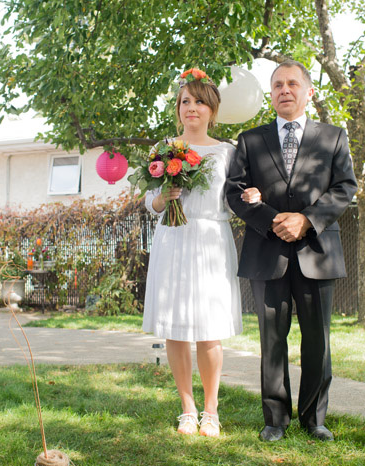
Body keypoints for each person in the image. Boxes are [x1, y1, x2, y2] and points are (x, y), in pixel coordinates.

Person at [225, 60, 357, 442]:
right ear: (271, 93)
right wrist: (272, 219)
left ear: (308, 91)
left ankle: (314, 419)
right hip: (267, 252)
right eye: (278, 84)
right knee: (272, 339)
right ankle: (275, 419)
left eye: (293, 83)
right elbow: (235, 191)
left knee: (318, 339)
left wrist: (306, 220)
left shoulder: (333, 137)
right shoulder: (250, 140)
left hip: (317, 251)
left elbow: (344, 187)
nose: (285, 90)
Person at [142, 69, 242, 437]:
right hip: (172, 238)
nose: (192, 108)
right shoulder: (163, 150)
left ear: (212, 109)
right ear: (179, 108)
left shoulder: (228, 152)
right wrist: (160, 198)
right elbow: (147, 201)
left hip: (210, 241)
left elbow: (233, 201)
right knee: (176, 329)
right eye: (186, 101)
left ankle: (211, 411)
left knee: (209, 329)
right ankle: (187, 408)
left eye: (200, 101)